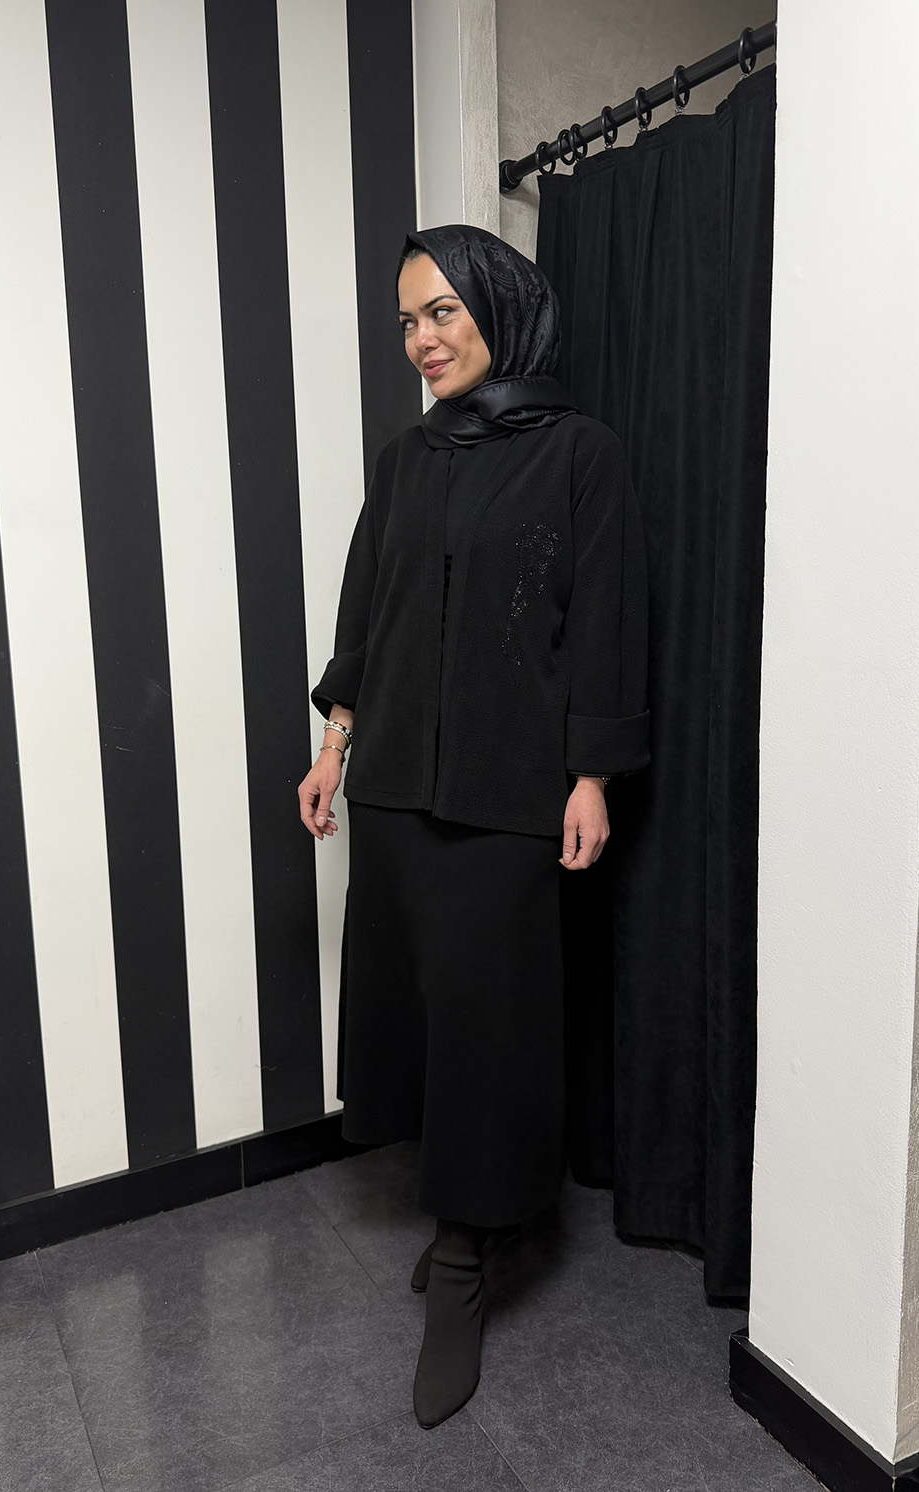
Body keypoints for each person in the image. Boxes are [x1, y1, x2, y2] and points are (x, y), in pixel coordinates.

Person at [298, 224, 650, 1430]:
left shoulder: (580, 453)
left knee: (491, 1026)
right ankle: (463, 1220)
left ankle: (462, 1263)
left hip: (510, 795)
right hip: (397, 783)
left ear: (499, 306)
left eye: (441, 310)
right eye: (406, 320)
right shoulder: (405, 460)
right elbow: (369, 609)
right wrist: (333, 747)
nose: (421, 339)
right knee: (417, 1015)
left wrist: (590, 776)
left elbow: (605, 622)